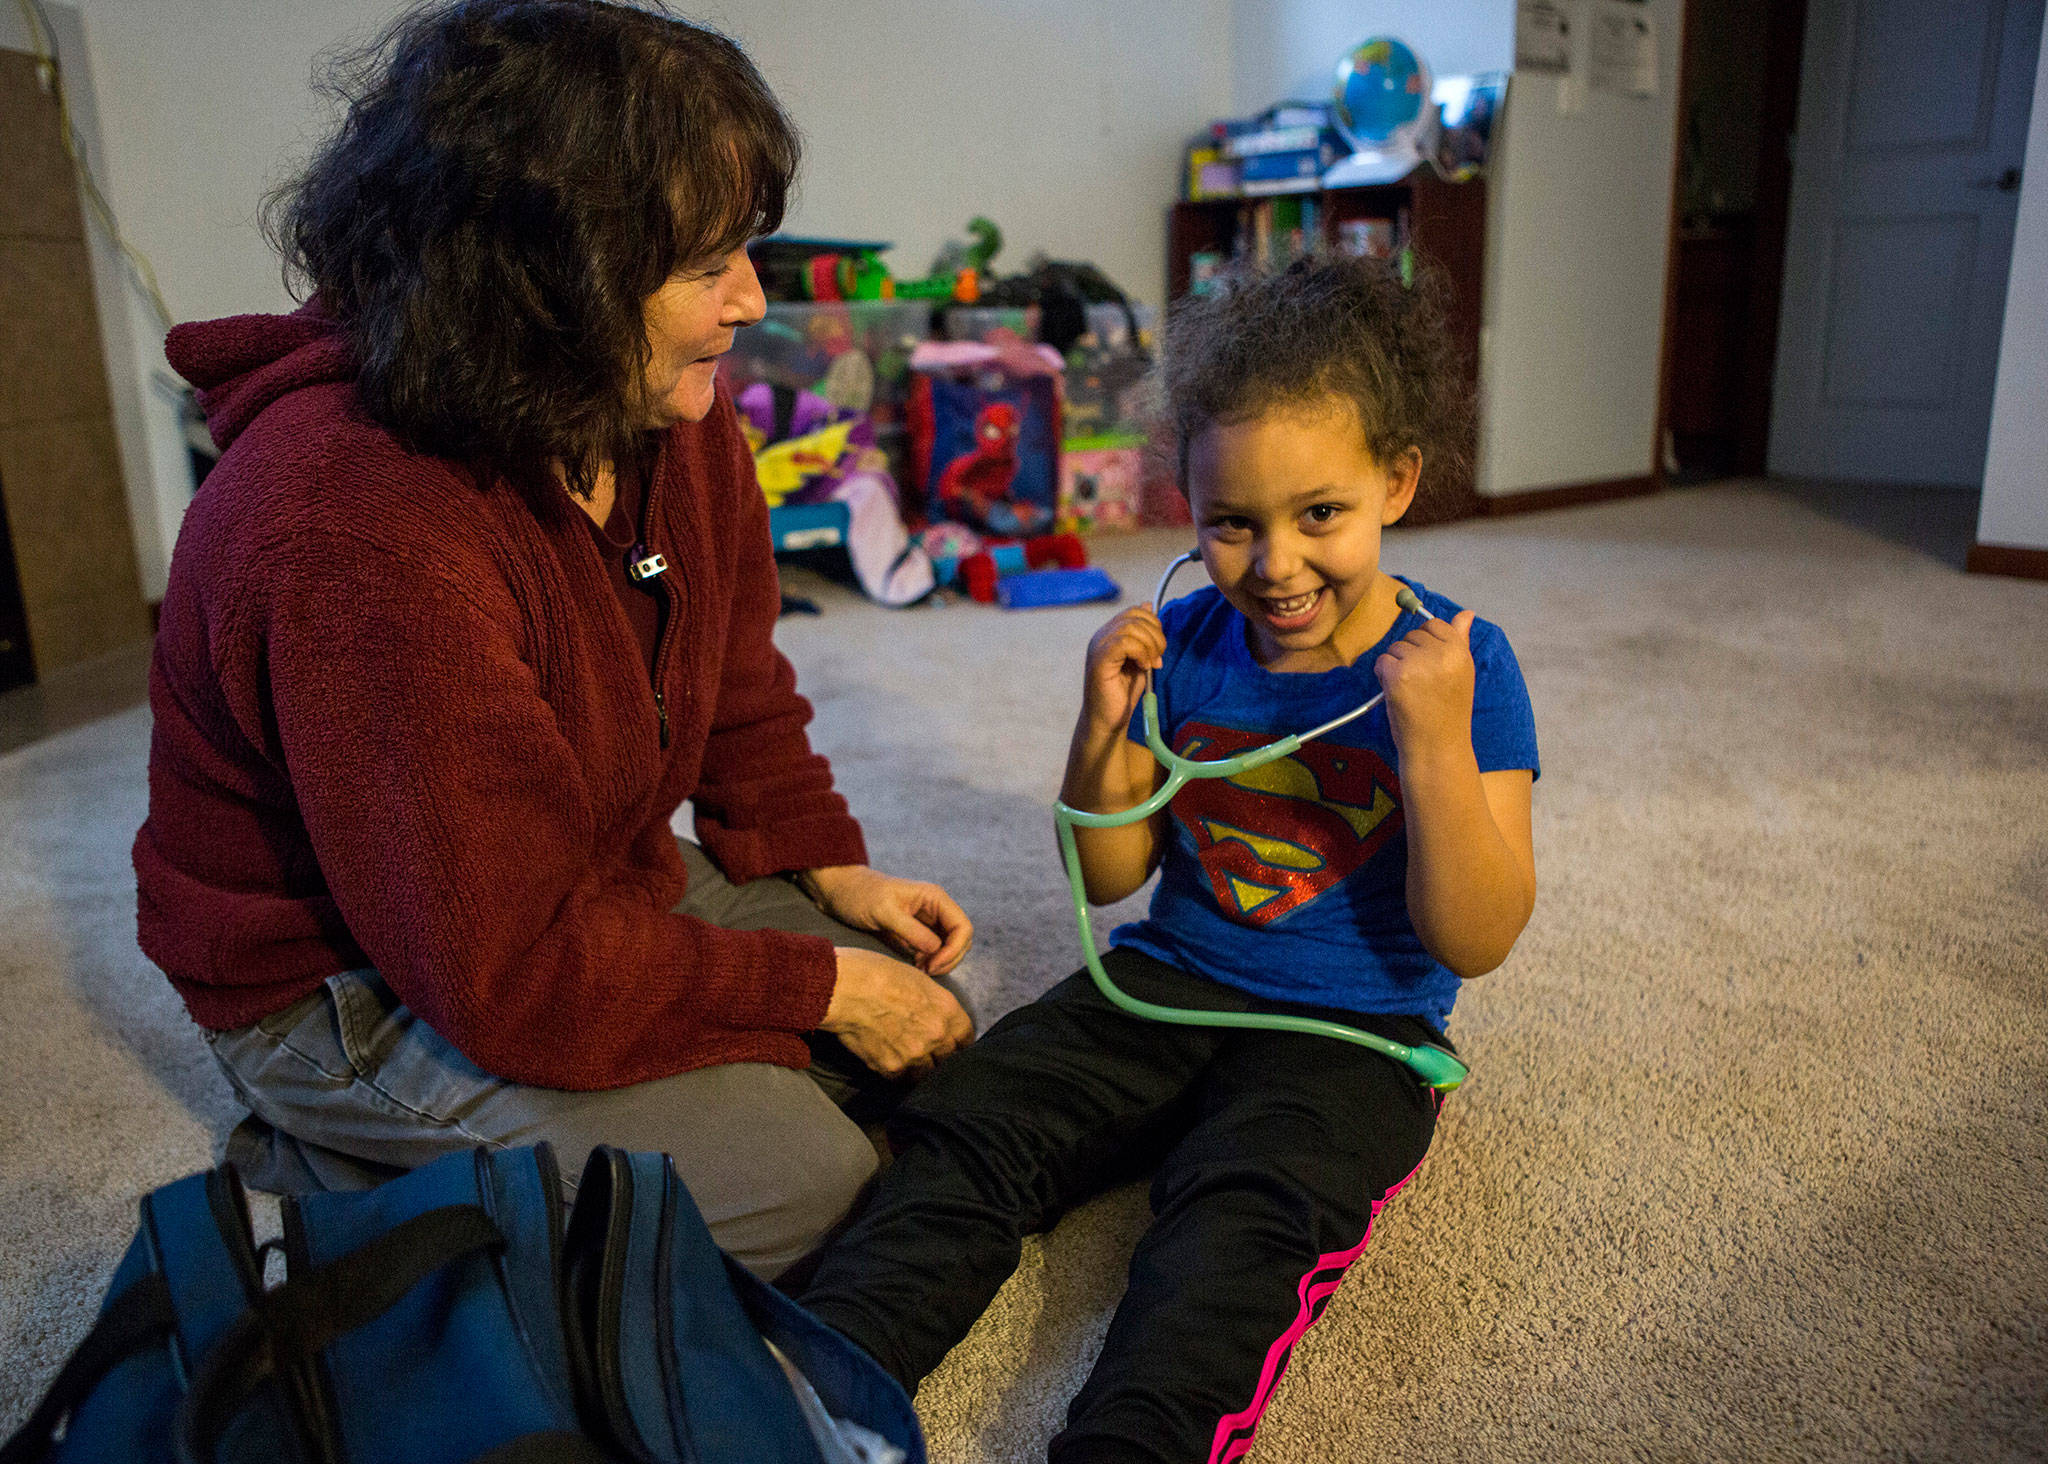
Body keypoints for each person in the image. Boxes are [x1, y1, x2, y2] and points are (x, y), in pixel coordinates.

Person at [132, 0, 974, 1282]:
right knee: (805, 1187)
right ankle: (322, 1166)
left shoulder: (673, 419)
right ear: (543, 282)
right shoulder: (351, 525)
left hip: (565, 882)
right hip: (348, 977)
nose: (752, 300)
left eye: (747, 249)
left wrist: (823, 868)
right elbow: (508, 966)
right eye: (707, 267)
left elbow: (736, 676)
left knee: (933, 1037)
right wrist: (820, 991)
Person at [800, 254, 1539, 1461]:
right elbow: (1105, 879)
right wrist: (1100, 722)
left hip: (1350, 1041)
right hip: (1164, 978)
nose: (1275, 565)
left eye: (1320, 516)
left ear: (1395, 483)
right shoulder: (1185, 642)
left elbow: (1476, 937)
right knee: (975, 1121)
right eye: (1230, 524)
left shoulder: (1465, 665)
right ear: (1186, 510)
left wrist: (1436, 743)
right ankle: (810, 1390)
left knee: (1236, 1234)